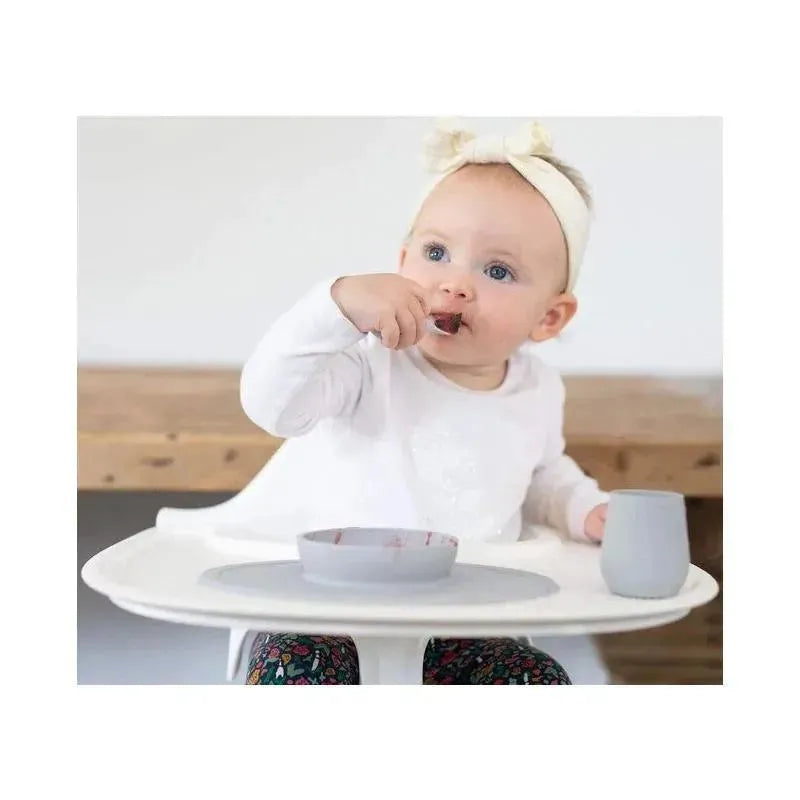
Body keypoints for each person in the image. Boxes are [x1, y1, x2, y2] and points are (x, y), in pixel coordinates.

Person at [160, 119, 610, 684]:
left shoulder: (537, 390)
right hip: (322, 614)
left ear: (549, 317)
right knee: (296, 672)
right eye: (437, 252)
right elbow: (271, 403)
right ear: (402, 264)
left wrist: (584, 509)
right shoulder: (368, 363)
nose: (455, 284)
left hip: (462, 626)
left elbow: (541, 477)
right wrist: (336, 306)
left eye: (497, 270)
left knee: (534, 678)